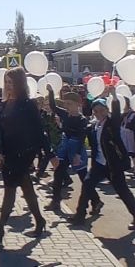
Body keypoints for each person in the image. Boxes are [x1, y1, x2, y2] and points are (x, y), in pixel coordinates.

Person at [0, 67, 49, 248]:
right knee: (26, 188)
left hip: (23, 154)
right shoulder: (5, 104)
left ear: (20, 84)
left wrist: (49, 155)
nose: (8, 85)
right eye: (6, 82)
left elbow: (39, 130)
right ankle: (40, 220)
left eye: (11, 82)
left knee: (9, 192)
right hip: (7, 154)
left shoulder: (27, 104)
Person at [68, 87, 135, 230]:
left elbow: (116, 112)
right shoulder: (93, 126)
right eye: (96, 111)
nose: (99, 113)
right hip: (99, 164)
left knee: (122, 191)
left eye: (102, 110)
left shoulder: (112, 123)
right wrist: (78, 154)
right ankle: (80, 215)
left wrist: (114, 95)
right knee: (87, 185)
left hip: (113, 164)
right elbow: (82, 139)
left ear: (106, 110)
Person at [45, 85, 102, 215]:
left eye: (69, 104)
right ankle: (55, 200)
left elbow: (81, 137)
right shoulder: (65, 114)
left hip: (76, 149)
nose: (67, 106)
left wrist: (76, 155)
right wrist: (51, 92)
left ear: (77, 104)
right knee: (59, 173)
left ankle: (96, 201)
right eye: (65, 104)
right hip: (65, 147)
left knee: (84, 178)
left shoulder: (82, 120)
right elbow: (54, 107)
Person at [120, 99, 135, 180]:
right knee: (122, 153)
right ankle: (122, 169)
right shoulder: (121, 114)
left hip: (130, 136)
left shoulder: (133, 114)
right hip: (122, 135)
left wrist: (128, 123)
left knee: (133, 154)